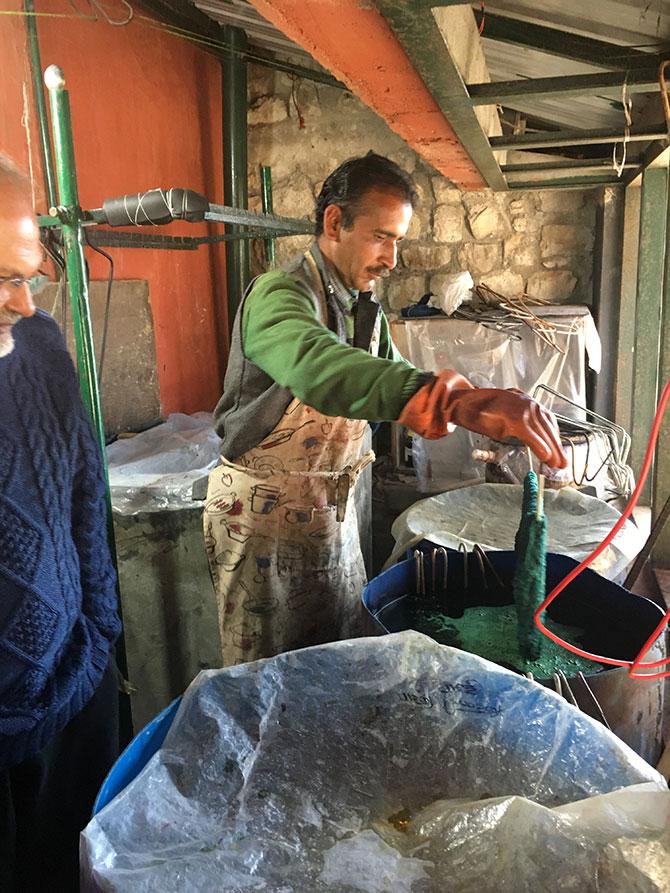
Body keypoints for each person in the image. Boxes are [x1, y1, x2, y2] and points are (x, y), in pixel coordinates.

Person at [206, 153, 566, 666]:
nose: (392, 258)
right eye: (382, 237)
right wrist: (456, 402)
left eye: (398, 240)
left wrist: (478, 405)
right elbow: (319, 367)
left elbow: (393, 378)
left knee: (333, 649)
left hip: (329, 510)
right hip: (263, 520)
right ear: (335, 222)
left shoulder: (359, 308)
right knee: (268, 671)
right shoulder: (277, 296)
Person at [0, 156, 121, 891]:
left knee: (79, 870)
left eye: (26, 273)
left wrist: (100, 633)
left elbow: (86, 500)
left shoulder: (39, 352)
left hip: (75, 692)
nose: (23, 299)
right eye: (1, 278)